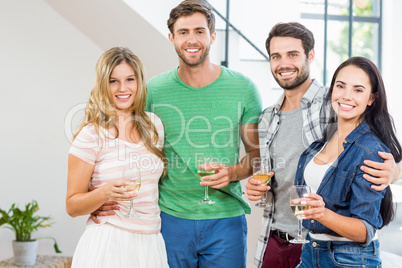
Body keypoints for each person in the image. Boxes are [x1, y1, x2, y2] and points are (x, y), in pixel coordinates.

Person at [245, 22, 401, 268]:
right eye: (276, 56)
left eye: (293, 54)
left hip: (335, 249)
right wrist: (257, 190)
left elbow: (365, 222)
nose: (284, 63)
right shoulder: (269, 118)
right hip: (280, 239)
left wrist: (395, 171)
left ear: (311, 56)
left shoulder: (332, 105)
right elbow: (280, 180)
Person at [144, 0, 262, 267]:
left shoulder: (243, 89)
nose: (192, 39)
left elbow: (256, 155)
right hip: (169, 217)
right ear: (172, 38)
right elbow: (134, 148)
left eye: (199, 31)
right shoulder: (153, 90)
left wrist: (232, 173)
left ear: (212, 36)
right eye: (183, 32)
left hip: (225, 220)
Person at [66, 47, 168, 268]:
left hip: (151, 241)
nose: (123, 88)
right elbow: (72, 205)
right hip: (109, 241)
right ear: (103, 84)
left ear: (139, 82)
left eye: (130, 79)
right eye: (114, 81)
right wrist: (102, 194)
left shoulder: (154, 126)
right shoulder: (91, 134)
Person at [294, 56, 401, 267]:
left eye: (358, 90)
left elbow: (364, 230)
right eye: (340, 86)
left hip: (349, 259)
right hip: (311, 251)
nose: (346, 96)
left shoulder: (371, 151)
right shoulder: (321, 142)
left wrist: (322, 214)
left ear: (372, 98)